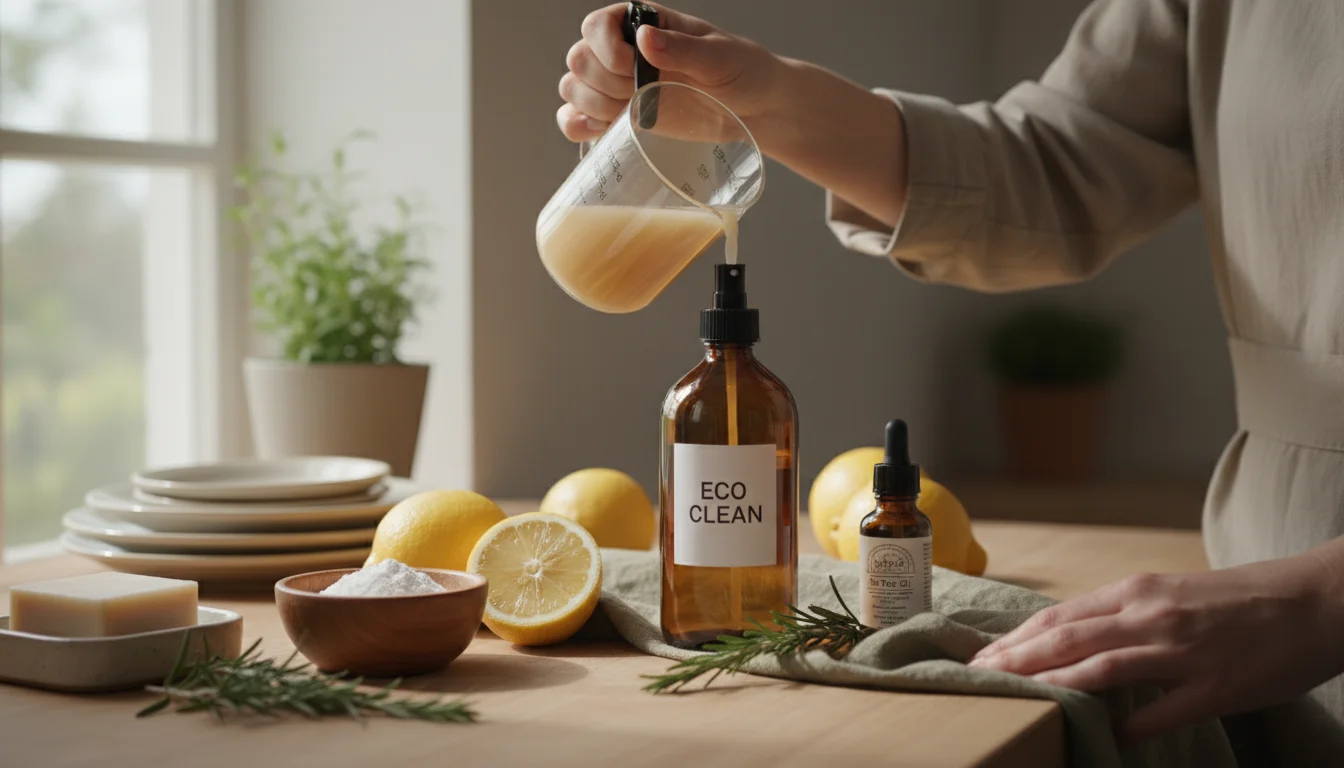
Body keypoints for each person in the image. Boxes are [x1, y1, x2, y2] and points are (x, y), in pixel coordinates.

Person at [557, 1, 1344, 762]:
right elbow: (1051, 166)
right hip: (1268, 569)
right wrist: (767, 98)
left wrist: (1321, 599)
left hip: (1294, 605)